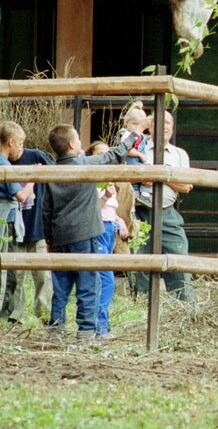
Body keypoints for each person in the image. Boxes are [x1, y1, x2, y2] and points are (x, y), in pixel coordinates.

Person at [42, 125, 128, 341]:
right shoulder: (85, 164)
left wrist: (49, 238)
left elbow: (46, 209)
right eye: (78, 138)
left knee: (60, 285)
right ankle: (86, 329)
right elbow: (115, 155)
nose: (81, 142)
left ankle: (56, 328)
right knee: (88, 283)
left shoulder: (51, 171)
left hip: (60, 235)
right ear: (72, 144)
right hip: (85, 233)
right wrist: (133, 136)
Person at [132, 111, 196, 301]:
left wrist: (161, 177)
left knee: (178, 259)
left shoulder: (179, 154)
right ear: (150, 127)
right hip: (139, 212)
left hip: (167, 212)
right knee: (139, 263)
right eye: (160, 122)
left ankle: (184, 308)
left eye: (168, 122)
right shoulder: (139, 149)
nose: (164, 126)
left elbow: (186, 186)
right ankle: (140, 309)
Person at [0, 121, 34, 328]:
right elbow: (21, 195)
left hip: (5, 217)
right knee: (3, 270)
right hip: (5, 220)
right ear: (11, 142)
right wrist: (32, 180)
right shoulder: (1, 165)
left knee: (6, 269)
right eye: (20, 144)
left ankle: (0, 316)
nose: (21, 148)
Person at [7, 144, 55, 323]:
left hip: (37, 225)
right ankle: (15, 315)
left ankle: (44, 314)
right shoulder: (3, 161)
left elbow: (56, 175)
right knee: (16, 276)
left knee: (42, 275)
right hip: (15, 228)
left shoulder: (36, 156)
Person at [87, 141, 130, 339]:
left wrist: (120, 222)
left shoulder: (109, 181)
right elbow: (91, 208)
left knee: (104, 279)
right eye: (100, 154)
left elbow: (109, 211)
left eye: (108, 154)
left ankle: (101, 324)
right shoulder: (93, 180)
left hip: (109, 230)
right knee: (106, 281)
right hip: (98, 230)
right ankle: (99, 325)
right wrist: (104, 195)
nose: (106, 158)